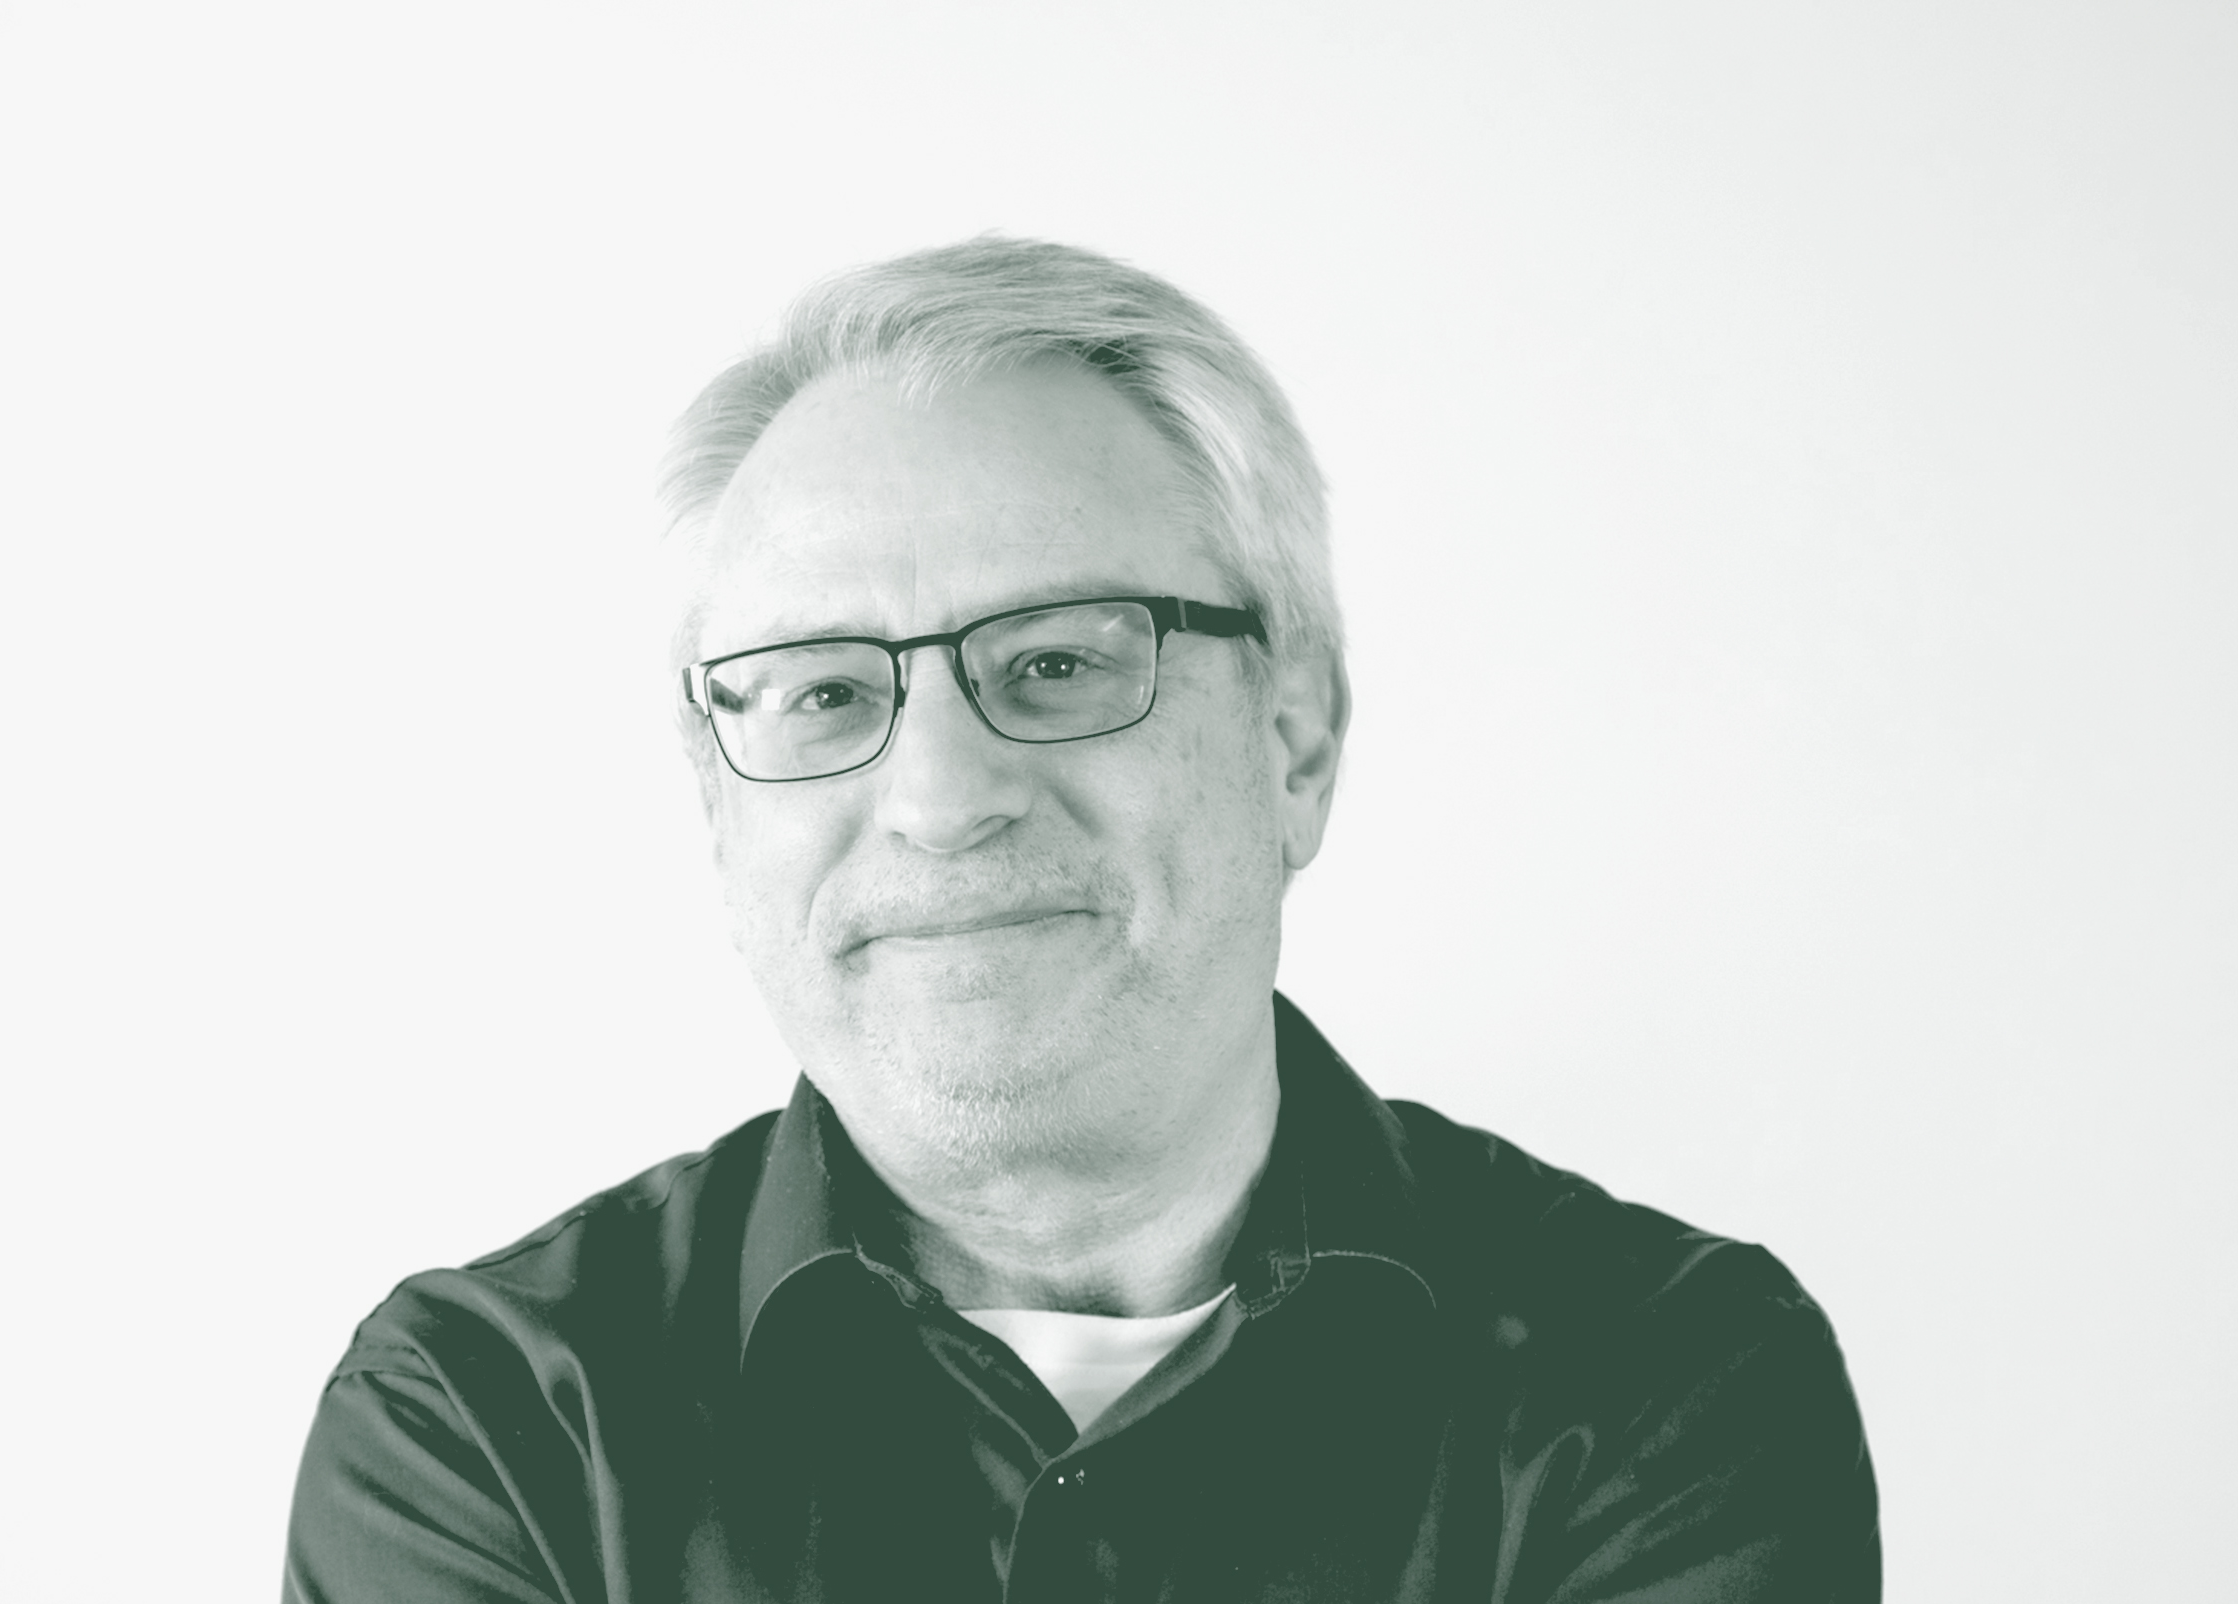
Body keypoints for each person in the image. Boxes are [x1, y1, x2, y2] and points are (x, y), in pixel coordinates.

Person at [282, 237, 1880, 1603]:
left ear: (1295, 738)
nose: (938, 796)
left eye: (1057, 660)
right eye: (826, 691)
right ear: (720, 808)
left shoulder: (1666, 1381)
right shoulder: (486, 1422)